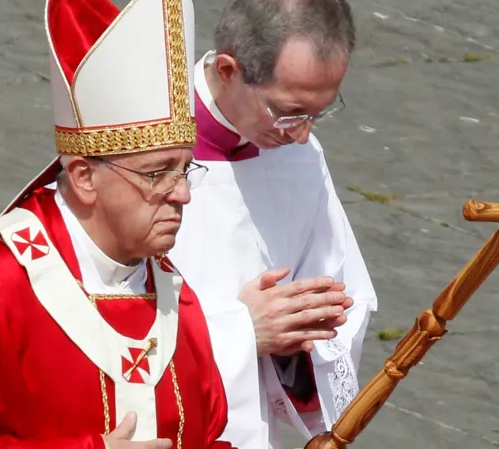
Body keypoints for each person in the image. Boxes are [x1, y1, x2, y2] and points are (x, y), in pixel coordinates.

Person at [0, 0, 238, 448]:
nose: (183, 194)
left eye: (185, 169)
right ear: (83, 176)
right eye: (157, 173)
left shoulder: (175, 300)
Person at [166, 0, 377, 447]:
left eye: (316, 115)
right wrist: (242, 331)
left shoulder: (300, 155)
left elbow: (341, 295)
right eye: (287, 111)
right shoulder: (139, 156)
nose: (300, 134)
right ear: (227, 70)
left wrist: (299, 340)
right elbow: (107, 322)